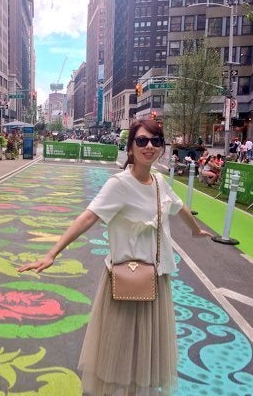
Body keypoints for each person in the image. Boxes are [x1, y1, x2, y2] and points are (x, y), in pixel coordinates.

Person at [18, 119, 212, 396]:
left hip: (156, 279)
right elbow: (88, 217)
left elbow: (179, 207)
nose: (149, 146)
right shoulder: (119, 184)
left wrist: (195, 229)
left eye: (156, 141)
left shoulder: (159, 182)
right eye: (142, 140)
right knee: (119, 348)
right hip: (126, 280)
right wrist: (52, 253)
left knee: (146, 351)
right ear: (130, 147)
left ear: (161, 147)